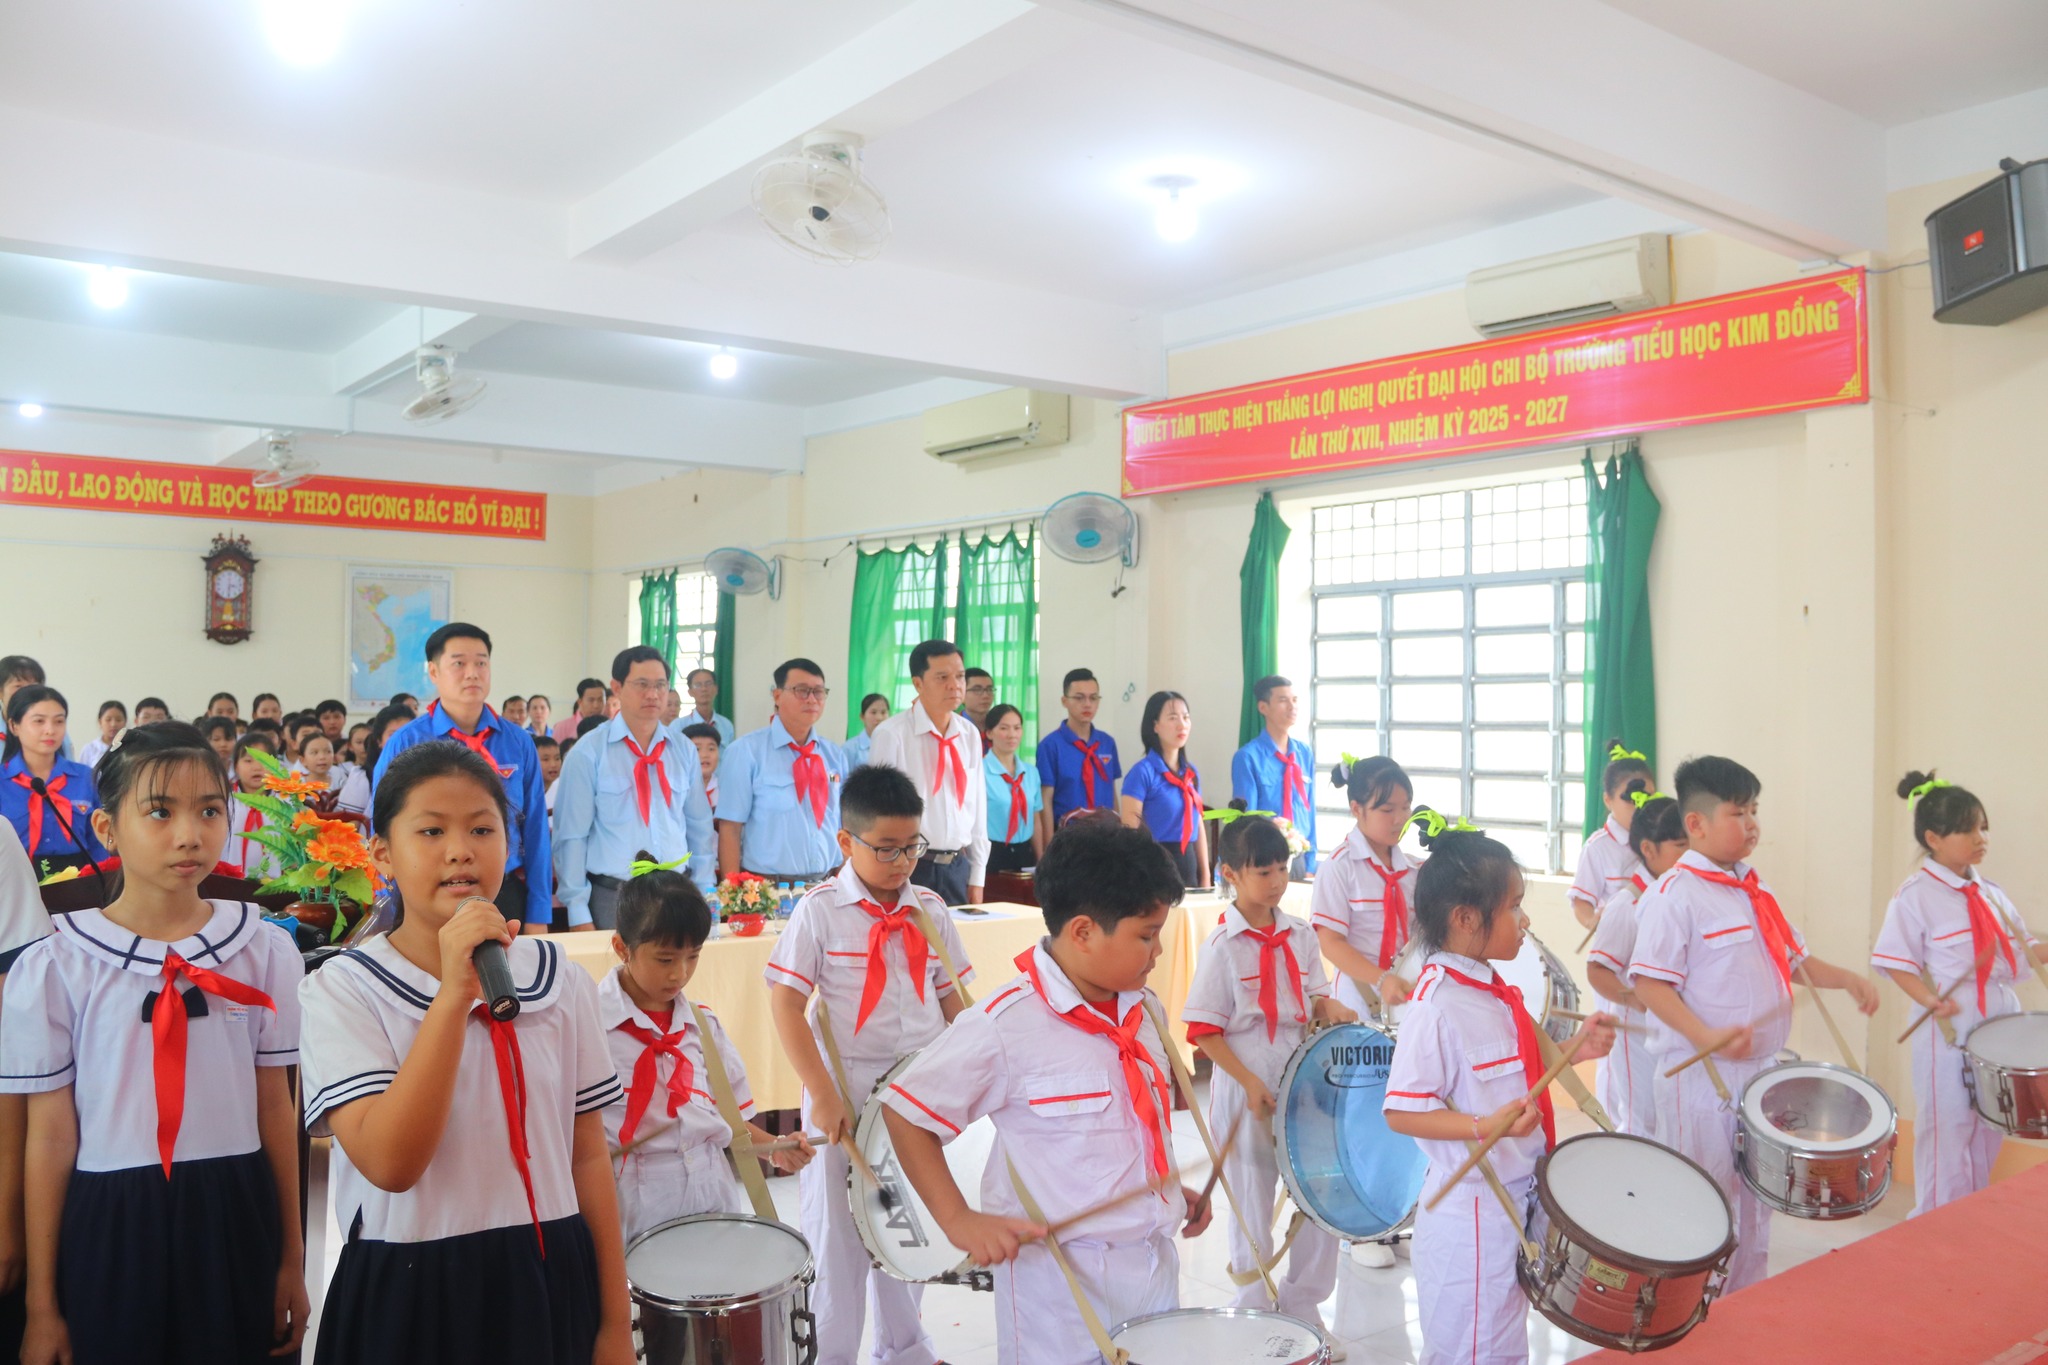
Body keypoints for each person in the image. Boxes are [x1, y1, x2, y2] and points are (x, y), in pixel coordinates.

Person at [298, 743, 633, 1365]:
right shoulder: (344, 989)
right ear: (381, 853)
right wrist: (454, 995)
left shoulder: (559, 980)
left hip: (549, 1274)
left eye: (482, 829)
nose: (460, 850)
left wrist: (615, 1323)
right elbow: (390, 1163)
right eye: (431, 831)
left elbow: (588, 1155)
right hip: (414, 1285)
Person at [0, 722, 307, 1365]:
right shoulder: (59, 965)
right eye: (160, 812)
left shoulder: (263, 949)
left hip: (234, 1211)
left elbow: (276, 1108)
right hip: (109, 1219)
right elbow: (49, 1136)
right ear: (107, 828)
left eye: (210, 811)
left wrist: (293, 1258)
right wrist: (42, 1305)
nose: (189, 834)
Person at [880, 819, 1214, 1365]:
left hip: (1154, 1268)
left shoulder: (1145, 1009)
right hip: (1059, 1290)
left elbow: (1131, 1125)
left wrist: (1165, 1192)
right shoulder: (1006, 1024)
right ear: (1082, 932)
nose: (1158, 951)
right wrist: (959, 1220)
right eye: (1146, 935)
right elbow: (906, 1114)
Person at [1629, 755, 1879, 1293]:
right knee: (1706, 1206)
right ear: (1696, 824)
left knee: (1756, 1204)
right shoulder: (1674, 897)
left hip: (1761, 1075)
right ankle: (1700, 1317)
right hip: (1701, 1079)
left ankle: (1746, 1308)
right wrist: (1705, 1036)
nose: (1752, 825)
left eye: (1754, 811)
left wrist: (1847, 980)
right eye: (1738, 813)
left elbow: (1794, 961)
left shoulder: (1754, 891)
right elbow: (1650, 984)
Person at [1383, 820, 1615, 1365]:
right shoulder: (1437, 1005)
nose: (1524, 919)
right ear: (1465, 919)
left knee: (1503, 1350)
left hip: (1513, 1201)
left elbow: (1514, 1080)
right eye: (1513, 907)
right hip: (1472, 1216)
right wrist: (1484, 1128)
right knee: (1474, 1352)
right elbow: (1402, 1111)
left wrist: (1575, 1050)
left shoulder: (1491, 991)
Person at [765, 765, 974, 1365]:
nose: (902, 861)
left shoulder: (930, 908)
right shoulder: (821, 910)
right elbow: (785, 1003)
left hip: (916, 1095)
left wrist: (972, 1075)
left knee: (905, 1223)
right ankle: (833, 1355)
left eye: (912, 847)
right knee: (838, 1236)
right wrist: (822, 1092)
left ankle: (905, 1349)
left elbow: (955, 1002)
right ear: (846, 841)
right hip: (846, 1090)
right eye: (886, 848)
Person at [1186, 814, 1354, 1338]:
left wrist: (1329, 1006)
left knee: (1320, 1192)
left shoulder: (1301, 935)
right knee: (1251, 1200)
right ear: (1231, 873)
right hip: (1246, 1092)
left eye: (1283, 868)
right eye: (1264, 872)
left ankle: (1305, 1304)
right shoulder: (1222, 946)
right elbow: (1205, 1032)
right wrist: (1250, 1082)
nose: (1278, 881)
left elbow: (1314, 996)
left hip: (1303, 1088)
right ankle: (1254, 1304)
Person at [600, 858, 812, 1243]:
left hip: (711, 1198)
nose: (680, 973)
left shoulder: (703, 1027)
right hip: (632, 1211)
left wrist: (774, 1149)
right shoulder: (592, 1028)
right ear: (621, 948)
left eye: (693, 956)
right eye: (665, 959)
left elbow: (726, 1122)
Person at [1873, 771, 2037, 1214]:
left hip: (1998, 1029)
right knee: (1947, 1132)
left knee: (1987, 1131)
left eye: (1983, 827)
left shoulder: (1992, 895)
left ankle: (1968, 1223)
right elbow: (1895, 961)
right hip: (1948, 1029)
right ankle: (1932, 1227)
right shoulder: (1915, 896)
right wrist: (1928, 999)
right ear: (1934, 838)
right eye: (1967, 829)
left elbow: (2023, 953)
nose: (1981, 838)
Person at [374, 623, 552, 936]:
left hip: (501, 889)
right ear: (433, 671)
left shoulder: (518, 742)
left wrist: (539, 911)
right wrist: (388, 907)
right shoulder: (406, 742)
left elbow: (535, 828)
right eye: (459, 663)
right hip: (426, 894)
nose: (472, 674)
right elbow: (384, 827)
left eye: (481, 663)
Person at [553, 646, 716, 933]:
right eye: (642, 684)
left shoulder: (683, 750)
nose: (653, 694)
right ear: (616, 688)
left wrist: (704, 891)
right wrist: (578, 911)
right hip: (614, 895)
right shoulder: (588, 752)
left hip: (678, 892)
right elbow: (571, 837)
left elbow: (699, 827)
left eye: (660, 685)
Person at [1584, 791, 1687, 1139]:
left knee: (1673, 1126)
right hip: (1639, 1034)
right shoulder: (1626, 905)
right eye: (1680, 846)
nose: (1690, 855)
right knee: (1642, 1126)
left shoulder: (1683, 897)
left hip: (1674, 1031)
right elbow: (1597, 971)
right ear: (1648, 849)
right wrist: (1639, 1000)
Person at [868, 640, 988, 906]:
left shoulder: (968, 734)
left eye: (960, 676)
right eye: (942, 677)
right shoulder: (892, 734)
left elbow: (977, 808)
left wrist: (977, 875)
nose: (954, 685)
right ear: (918, 683)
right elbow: (879, 815)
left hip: (958, 867)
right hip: (909, 867)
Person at [717, 659, 848, 885]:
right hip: (768, 887)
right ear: (777, 696)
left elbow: (844, 822)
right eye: (801, 690)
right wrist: (732, 890)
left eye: (818, 692)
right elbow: (730, 829)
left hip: (828, 883)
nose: (812, 699)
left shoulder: (834, 755)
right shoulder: (746, 752)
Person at [1312, 756, 1421, 1019]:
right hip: (1358, 998)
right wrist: (1382, 979)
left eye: (1406, 807)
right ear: (1357, 809)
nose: (1400, 819)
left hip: (1406, 995)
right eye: (1387, 810)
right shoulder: (1339, 867)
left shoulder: (1415, 870)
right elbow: (1330, 943)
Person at [0, 688, 105, 876]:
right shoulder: (2, 781)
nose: (50, 730)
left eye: (59, 721)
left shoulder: (85, 778)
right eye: (39, 721)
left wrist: (103, 878)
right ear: (14, 726)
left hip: (80, 877)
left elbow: (99, 840)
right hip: (15, 878)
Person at [1119, 690, 1207, 887]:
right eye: (1173, 718)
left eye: (1186, 717)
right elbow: (1130, 833)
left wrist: (1206, 875)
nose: (1182, 725)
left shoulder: (1191, 773)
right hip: (1155, 867)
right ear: (1155, 725)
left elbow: (1198, 824)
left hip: (1189, 864)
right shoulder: (1142, 772)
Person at [1231, 675, 1317, 871]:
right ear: (1263, 707)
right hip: (1265, 857)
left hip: (1300, 856)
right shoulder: (1248, 757)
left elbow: (1310, 809)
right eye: (1283, 700)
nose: (1292, 706)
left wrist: (1311, 863)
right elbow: (1247, 820)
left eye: (1294, 700)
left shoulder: (1304, 753)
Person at [1570, 742, 1656, 933]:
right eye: (1631, 800)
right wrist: (1594, 923)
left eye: (1647, 797)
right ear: (1608, 800)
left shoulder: (1662, 838)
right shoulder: (1597, 847)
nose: (1640, 805)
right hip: (1621, 940)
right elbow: (1581, 902)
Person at [1034, 668, 1119, 837]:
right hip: (1068, 835)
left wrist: (1119, 832)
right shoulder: (1050, 746)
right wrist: (1050, 845)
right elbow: (1045, 800)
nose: (1087, 704)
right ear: (1064, 701)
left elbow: (1112, 791)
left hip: (1106, 834)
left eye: (1093, 698)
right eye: (1079, 698)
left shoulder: (1107, 743)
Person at [981, 703, 1042, 876]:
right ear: (989, 733)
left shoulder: (1030, 772)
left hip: (1025, 852)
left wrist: (1040, 858)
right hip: (992, 852)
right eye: (1004, 728)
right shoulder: (979, 771)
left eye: (1017, 728)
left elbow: (1035, 818)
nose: (1012, 734)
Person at [225, 732, 283, 879]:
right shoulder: (224, 802)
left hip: (275, 883)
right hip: (230, 881)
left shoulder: (284, 804)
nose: (257, 767)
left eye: (262, 760)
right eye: (248, 761)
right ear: (236, 766)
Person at [337, 704, 411, 819]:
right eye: (393, 735)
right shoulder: (363, 777)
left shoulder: (428, 775)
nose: (401, 741)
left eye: (408, 734)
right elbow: (349, 824)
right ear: (379, 741)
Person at [678, 669, 735, 747]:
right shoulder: (678, 725)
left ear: (716, 689)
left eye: (708, 684)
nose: (704, 689)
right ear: (690, 692)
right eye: (698, 685)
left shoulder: (726, 725)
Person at [680, 724, 721, 811]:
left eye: (711, 749)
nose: (705, 755)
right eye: (697, 749)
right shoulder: (676, 790)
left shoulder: (727, 789)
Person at [75, 700, 125, 770]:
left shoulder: (130, 747)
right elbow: (81, 773)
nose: (113, 724)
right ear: (100, 722)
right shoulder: (89, 749)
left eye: (118, 720)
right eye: (108, 720)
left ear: (125, 722)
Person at [844, 693, 888, 770]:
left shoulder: (893, 744)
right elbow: (841, 775)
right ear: (862, 716)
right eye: (873, 712)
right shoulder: (849, 748)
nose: (879, 718)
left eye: (883, 712)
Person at [554, 679, 607, 744]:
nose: (596, 706)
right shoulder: (563, 727)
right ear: (580, 702)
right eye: (591, 700)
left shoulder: (611, 725)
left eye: (600, 700)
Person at [961, 667, 996, 734]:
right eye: (977, 690)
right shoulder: (953, 726)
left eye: (989, 689)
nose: (985, 695)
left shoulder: (999, 725)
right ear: (962, 695)